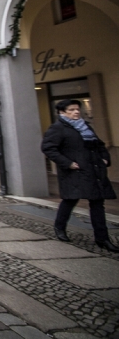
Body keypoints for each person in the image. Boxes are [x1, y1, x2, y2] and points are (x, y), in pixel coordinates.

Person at [41, 99, 118, 252]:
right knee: (69, 201)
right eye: (71, 109)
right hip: (74, 171)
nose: (76, 112)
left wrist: (104, 158)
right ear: (62, 112)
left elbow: (99, 145)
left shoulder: (86, 127)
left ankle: (102, 239)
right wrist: (68, 163)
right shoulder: (58, 128)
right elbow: (48, 148)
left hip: (93, 171)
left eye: (77, 109)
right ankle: (60, 227)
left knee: (97, 204)